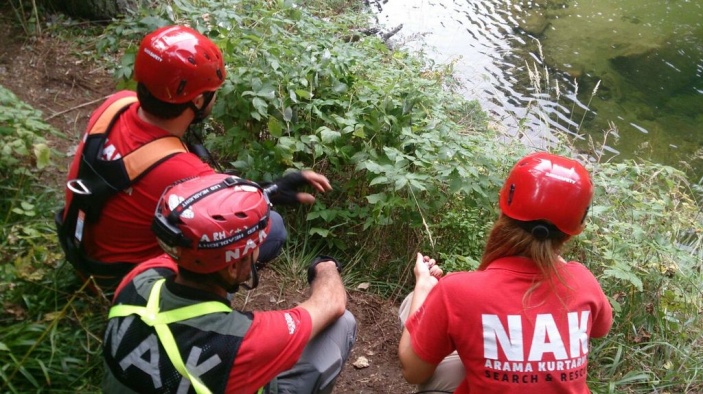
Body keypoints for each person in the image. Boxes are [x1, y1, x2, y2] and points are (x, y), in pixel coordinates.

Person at [56, 25, 331, 290]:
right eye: (212, 91)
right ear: (197, 101)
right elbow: (229, 215)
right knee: (274, 230)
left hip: (81, 252)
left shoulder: (116, 103)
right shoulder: (181, 171)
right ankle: (198, 303)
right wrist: (270, 191)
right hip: (117, 283)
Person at [103, 173, 356, 393]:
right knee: (342, 324)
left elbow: (197, 237)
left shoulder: (138, 281)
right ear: (234, 267)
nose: (258, 248)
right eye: (254, 247)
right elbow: (332, 302)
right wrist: (325, 267)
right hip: (232, 363)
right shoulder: (243, 342)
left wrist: (267, 194)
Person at [398, 152, 613, 393]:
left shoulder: (456, 291)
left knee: (414, 305)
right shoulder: (583, 281)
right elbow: (601, 328)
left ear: (504, 209)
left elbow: (412, 371)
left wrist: (424, 288)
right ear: (572, 230)